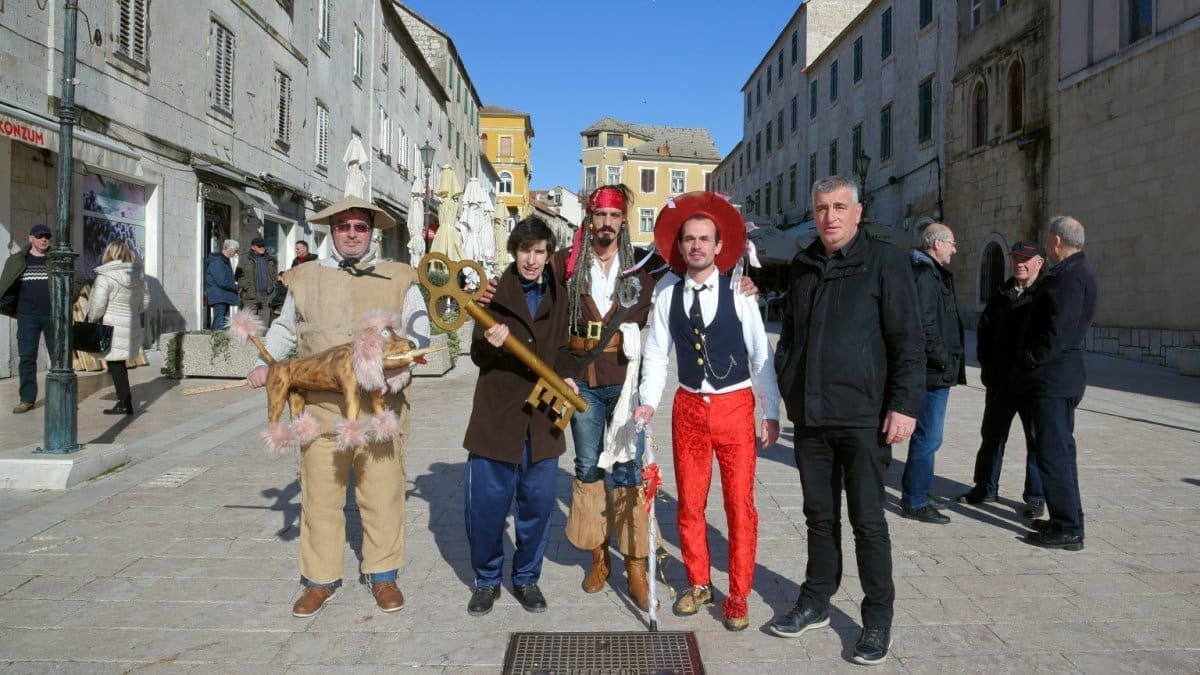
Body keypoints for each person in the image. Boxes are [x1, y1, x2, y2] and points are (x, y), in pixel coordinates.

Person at [246, 195, 428, 617]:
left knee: (383, 495)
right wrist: (264, 363)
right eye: (343, 226)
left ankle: (384, 576)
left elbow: (420, 330)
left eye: (360, 227)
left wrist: (405, 367)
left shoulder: (399, 276)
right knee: (320, 499)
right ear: (332, 231)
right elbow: (285, 329)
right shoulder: (305, 276)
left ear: (371, 233)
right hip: (320, 412)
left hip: (380, 411)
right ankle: (319, 580)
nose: (351, 234)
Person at [769, 176, 923, 665]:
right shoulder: (803, 265)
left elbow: (908, 339)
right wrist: (789, 387)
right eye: (821, 208)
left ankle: (877, 618)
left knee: (867, 521)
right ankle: (816, 599)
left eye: (839, 207)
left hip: (863, 417)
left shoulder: (885, 262)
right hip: (811, 418)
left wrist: (905, 404)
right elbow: (790, 337)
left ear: (858, 212)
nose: (829, 216)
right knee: (818, 516)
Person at [633, 191, 780, 632]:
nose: (696, 246)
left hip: (735, 407)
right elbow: (656, 353)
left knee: (739, 506)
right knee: (690, 504)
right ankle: (698, 582)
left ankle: (738, 593)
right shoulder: (667, 292)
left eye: (704, 239)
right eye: (689, 239)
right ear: (679, 247)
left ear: (719, 246)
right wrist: (648, 400)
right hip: (688, 408)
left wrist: (770, 410)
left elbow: (761, 354)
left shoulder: (739, 290)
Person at [462, 216, 575, 617]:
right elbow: (477, 355)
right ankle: (487, 580)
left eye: (539, 252)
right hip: (499, 416)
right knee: (487, 508)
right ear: (514, 251)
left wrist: (567, 376)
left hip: (543, 418)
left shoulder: (559, 293)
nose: (531, 259)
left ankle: (526, 578)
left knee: (537, 508)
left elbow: (563, 347)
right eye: (525, 250)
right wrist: (491, 344)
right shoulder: (492, 293)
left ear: (548, 255)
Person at [556, 184, 657, 610]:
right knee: (587, 466)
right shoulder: (566, 264)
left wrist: (740, 283)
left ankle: (635, 564)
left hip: (625, 380)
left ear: (623, 221)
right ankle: (599, 559)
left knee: (628, 469)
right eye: (601, 215)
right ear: (589, 217)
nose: (607, 223)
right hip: (583, 379)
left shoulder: (642, 268)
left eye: (615, 216)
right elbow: (545, 314)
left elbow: (691, 278)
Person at [1015, 216, 1098, 551]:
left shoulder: (1070, 276)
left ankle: (1068, 528)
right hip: (1058, 377)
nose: (1047, 243)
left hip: (1054, 378)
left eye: (1048, 239)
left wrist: (1030, 359)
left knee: (1053, 454)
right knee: (1059, 451)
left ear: (1057, 241)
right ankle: (1067, 518)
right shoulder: (1074, 271)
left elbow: (1058, 332)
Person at [957, 241, 1046, 517]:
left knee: (1036, 441)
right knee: (992, 436)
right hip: (1001, 382)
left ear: (1039, 263)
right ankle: (985, 487)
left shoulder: (1046, 294)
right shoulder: (1001, 293)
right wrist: (987, 367)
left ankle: (1036, 497)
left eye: (1026, 259)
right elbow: (984, 332)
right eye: (1016, 258)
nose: (1020, 263)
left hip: (1032, 384)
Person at [899, 223, 965, 524]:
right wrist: (942, 359)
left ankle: (920, 492)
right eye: (952, 243)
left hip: (933, 368)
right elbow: (925, 324)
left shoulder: (928, 271)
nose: (955, 249)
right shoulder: (925, 274)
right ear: (937, 244)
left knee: (928, 436)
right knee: (929, 436)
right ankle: (915, 500)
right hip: (932, 370)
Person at [85, 241, 151, 415]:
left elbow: (98, 306)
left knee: (115, 363)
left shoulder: (105, 276)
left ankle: (124, 402)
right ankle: (124, 401)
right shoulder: (138, 276)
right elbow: (145, 303)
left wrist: (92, 320)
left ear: (109, 254)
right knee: (118, 363)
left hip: (111, 325)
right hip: (130, 324)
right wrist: (132, 312)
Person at [1, 223, 54, 413]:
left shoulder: (56, 260)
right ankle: (27, 399)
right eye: (39, 236)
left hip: (53, 316)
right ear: (30, 238)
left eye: (47, 236)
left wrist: (67, 301)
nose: (44, 239)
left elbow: (75, 280)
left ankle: (61, 396)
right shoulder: (17, 260)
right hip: (27, 316)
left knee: (59, 359)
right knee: (27, 358)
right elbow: (6, 285)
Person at [238, 237, 277, 325]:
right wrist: (246, 287)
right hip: (250, 297)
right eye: (259, 246)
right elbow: (238, 276)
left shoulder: (271, 260)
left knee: (263, 326)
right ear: (253, 247)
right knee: (248, 325)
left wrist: (273, 286)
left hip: (267, 297)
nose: (262, 248)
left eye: (263, 246)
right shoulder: (245, 259)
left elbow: (275, 275)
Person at [204, 240, 239, 330]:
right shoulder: (217, 262)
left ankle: (220, 338)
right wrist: (236, 287)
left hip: (223, 296)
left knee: (224, 323)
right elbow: (222, 282)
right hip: (219, 297)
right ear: (230, 249)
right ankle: (216, 338)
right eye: (235, 251)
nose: (236, 253)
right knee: (219, 323)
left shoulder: (224, 261)